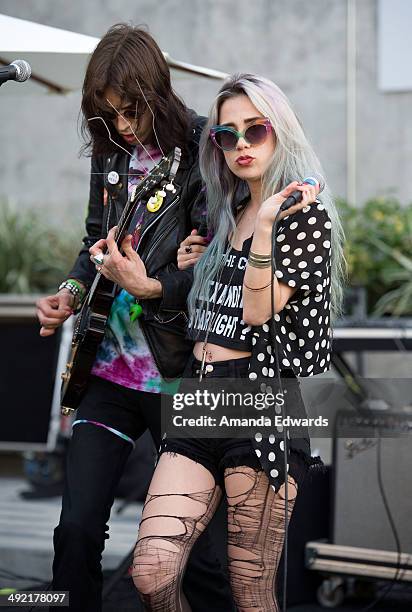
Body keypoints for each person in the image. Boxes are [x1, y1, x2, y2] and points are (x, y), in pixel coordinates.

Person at [36, 23, 235, 612]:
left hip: (181, 375)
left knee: (195, 554)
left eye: (131, 112)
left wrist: (154, 286)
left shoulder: (205, 143)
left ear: (158, 91)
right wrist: (71, 291)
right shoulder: (110, 150)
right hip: (108, 373)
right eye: (108, 116)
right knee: (74, 535)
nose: (122, 127)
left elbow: (225, 263)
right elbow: (96, 240)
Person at [132, 73, 345, 611]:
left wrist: (269, 219)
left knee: (251, 590)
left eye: (257, 130)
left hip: (260, 401)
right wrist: (190, 271)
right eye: (227, 135)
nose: (242, 145)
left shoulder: (302, 215)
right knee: (151, 571)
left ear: (282, 132)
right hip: (199, 398)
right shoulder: (222, 213)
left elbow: (256, 310)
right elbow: (207, 315)